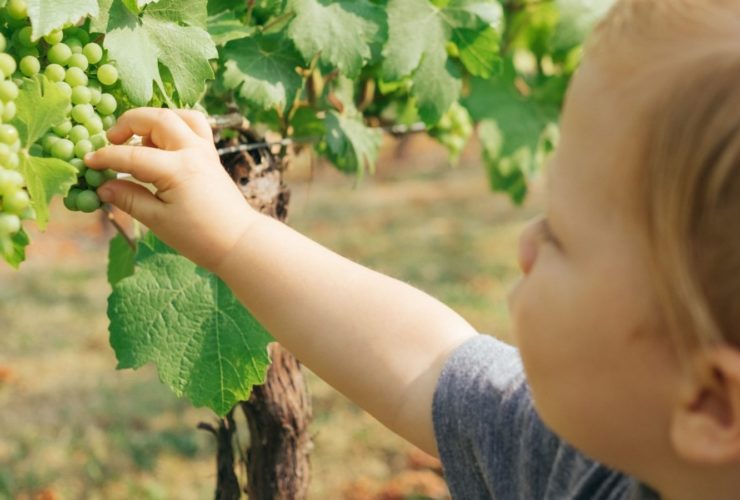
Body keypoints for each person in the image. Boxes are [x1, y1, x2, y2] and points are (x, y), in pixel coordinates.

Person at [84, 0, 740, 497]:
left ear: (712, 402)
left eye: (561, 236)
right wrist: (236, 235)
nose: (524, 242)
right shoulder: (609, 450)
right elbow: (426, 362)